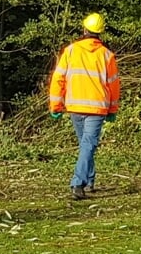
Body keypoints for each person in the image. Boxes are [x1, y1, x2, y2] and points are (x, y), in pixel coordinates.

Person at [49, 13, 120, 201]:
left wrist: (55, 106)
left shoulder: (71, 51)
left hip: (75, 106)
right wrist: (112, 109)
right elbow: (113, 84)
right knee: (87, 145)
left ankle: (87, 180)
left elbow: (58, 78)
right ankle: (79, 183)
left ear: (84, 29)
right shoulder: (107, 55)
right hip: (97, 108)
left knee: (86, 145)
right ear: (100, 33)